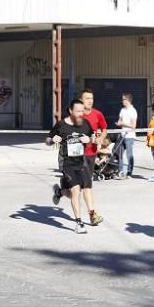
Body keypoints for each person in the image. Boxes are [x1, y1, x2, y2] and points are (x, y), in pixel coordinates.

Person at [47, 98, 98, 233]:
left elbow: (97, 138)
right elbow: (47, 140)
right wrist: (52, 140)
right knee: (76, 190)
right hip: (66, 162)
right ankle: (79, 223)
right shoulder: (61, 125)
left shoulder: (85, 124)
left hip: (81, 162)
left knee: (85, 188)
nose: (81, 114)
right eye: (78, 111)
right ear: (70, 110)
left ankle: (60, 191)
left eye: (82, 111)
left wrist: (90, 140)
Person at [78, 89, 107, 226]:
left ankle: (60, 191)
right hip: (78, 154)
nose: (90, 100)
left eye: (92, 98)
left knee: (78, 187)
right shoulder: (76, 115)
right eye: (87, 98)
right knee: (86, 184)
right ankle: (92, 214)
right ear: (81, 100)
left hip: (92, 153)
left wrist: (100, 138)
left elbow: (104, 128)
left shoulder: (97, 114)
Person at [115, 93, 137, 178]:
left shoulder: (133, 111)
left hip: (129, 136)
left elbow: (133, 125)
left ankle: (129, 171)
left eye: (123, 99)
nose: (122, 101)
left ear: (128, 100)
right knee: (119, 154)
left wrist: (123, 123)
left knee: (129, 154)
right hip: (122, 135)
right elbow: (120, 120)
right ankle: (120, 171)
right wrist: (119, 123)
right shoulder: (122, 110)